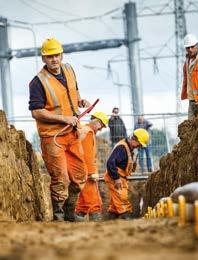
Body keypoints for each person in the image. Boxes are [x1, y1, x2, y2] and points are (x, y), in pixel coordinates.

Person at [28, 38, 90, 222]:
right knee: (60, 177)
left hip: (72, 133)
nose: (54, 59)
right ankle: (59, 215)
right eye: (49, 56)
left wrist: (79, 101)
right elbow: (36, 112)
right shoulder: (38, 82)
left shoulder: (69, 70)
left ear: (61, 55)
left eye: (56, 55)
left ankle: (70, 212)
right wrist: (63, 118)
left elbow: (73, 90)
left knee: (80, 176)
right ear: (43, 59)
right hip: (52, 137)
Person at [104, 128, 149, 219]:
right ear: (134, 139)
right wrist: (116, 178)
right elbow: (110, 162)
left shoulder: (128, 148)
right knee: (122, 201)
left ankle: (110, 221)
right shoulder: (122, 148)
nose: (138, 147)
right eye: (139, 144)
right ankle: (127, 219)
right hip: (115, 178)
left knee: (115, 206)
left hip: (120, 178)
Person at [75, 112, 108, 222]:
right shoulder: (88, 132)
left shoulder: (84, 130)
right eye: (101, 126)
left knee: (83, 203)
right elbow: (87, 154)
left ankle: (74, 221)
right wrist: (92, 172)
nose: (101, 129)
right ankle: (97, 225)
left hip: (80, 170)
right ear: (97, 122)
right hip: (86, 172)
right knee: (94, 201)